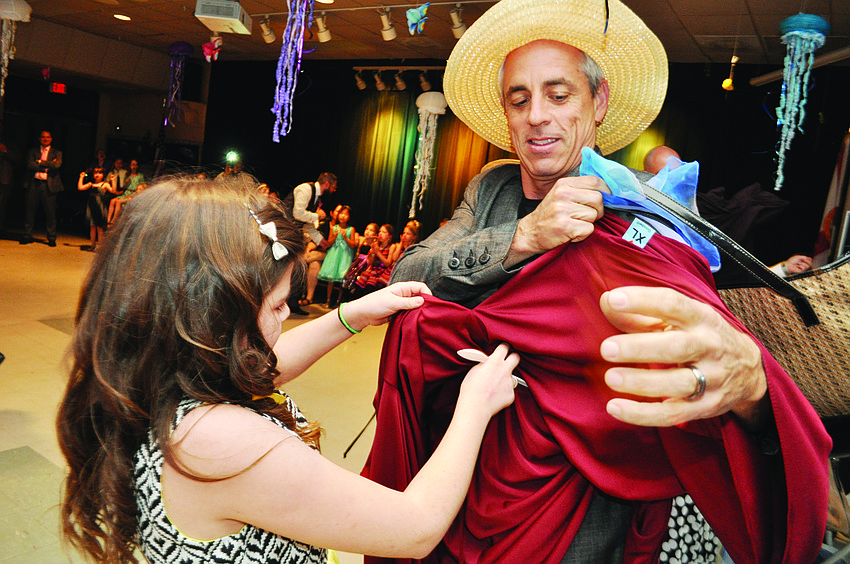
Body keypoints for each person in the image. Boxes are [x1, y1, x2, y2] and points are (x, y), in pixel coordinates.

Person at [383, 0, 830, 562]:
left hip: (598, 483)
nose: (537, 115)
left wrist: (749, 383)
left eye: (559, 94)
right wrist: (523, 237)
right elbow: (406, 276)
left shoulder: (647, 200)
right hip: (467, 460)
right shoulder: (492, 189)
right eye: (519, 100)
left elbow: (704, 332)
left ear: (599, 103)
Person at [56, 177, 520, 564]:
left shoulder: (159, 380)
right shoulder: (219, 442)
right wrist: (475, 406)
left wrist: (350, 316)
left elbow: (265, 367)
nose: (285, 317)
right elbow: (415, 526)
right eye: (278, 305)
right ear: (212, 316)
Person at [282, 172, 338, 312]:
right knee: (284, 268)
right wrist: (317, 215)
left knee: (298, 267)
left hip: (296, 232)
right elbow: (297, 213)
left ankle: (293, 302)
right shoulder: (305, 189)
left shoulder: (317, 197)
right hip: (284, 232)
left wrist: (321, 240)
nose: (334, 190)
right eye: (333, 186)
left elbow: (306, 223)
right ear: (327, 183)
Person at [22, 130, 64, 246]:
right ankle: (27, 234)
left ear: (51, 139)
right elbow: (30, 165)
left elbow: (57, 165)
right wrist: (48, 164)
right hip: (34, 183)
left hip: (49, 185)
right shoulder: (32, 151)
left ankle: (51, 237)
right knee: (29, 210)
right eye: (43, 137)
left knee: (50, 212)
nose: (45, 139)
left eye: (47, 137)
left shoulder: (57, 152)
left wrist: (40, 162)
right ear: (39, 138)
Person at [317, 204, 357, 308]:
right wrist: (334, 235)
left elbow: (353, 244)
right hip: (334, 255)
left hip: (345, 256)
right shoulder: (333, 227)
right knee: (331, 279)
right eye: (341, 213)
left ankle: (339, 301)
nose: (343, 216)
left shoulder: (351, 229)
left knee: (342, 279)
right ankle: (328, 300)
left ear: (349, 217)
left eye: (346, 214)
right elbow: (329, 243)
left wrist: (345, 237)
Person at [350, 223, 395, 299]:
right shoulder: (377, 245)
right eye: (380, 231)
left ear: (390, 236)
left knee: (370, 286)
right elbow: (370, 262)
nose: (381, 233)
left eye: (384, 232)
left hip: (382, 272)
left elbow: (387, 263)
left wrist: (378, 252)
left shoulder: (392, 246)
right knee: (359, 284)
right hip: (373, 269)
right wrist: (372, 253)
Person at [78, 167, 116, 252]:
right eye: (95, 173)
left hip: (100, 206)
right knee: (92, 226)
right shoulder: (91, 184)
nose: (97, 175)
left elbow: (113, 191)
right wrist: (81, 177)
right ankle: (92, 245)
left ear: (103, 175)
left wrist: (113, 180)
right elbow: (80, 187)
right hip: (92, 206)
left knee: (99, 227)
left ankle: (100, 246)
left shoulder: (105, 184)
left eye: (99, 173)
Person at [107, 158, 146, 226]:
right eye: (132, 164)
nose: (133, 166)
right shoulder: (128, 175)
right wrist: (126, 183)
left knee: (119, 202)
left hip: (134, 193)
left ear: (137, 166)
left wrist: (134, 194)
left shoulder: (140, 176)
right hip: (126, 192)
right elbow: (124, 187)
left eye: (135, 164)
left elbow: (142, 186)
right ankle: (108, 220)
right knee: (113, 201)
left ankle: (113, 221)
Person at [0, 120, 19, 238]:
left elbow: (17, 157)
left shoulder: (10, 142)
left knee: (1, 205)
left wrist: (5, 150)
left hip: (3, 179)